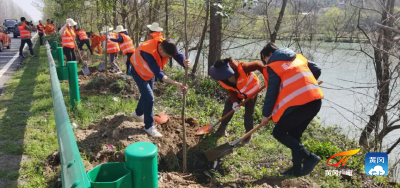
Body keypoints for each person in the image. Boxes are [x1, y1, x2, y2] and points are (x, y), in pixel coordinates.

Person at [260, 42, 323, 177]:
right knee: (295, 135)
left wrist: (266, 114)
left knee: (278, 132)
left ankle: (310, 158)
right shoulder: (298, 58)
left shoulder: (273, 66)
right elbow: (317, 69)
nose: (265, 63)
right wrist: (306, 83)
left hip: (301, 104)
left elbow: (271, 93)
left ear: (268, 55)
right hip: (315, 100)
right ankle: (296, 169)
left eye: (264, 59)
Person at [129, 38, 190, 137]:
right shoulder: (148, 52)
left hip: (148, 73)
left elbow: (178, 55)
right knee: (149, 98)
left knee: (146, 95)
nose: (169, 58)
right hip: (138, 71)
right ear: (160, 49)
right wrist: (177, 84)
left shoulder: (167, 45)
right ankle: (149, 126)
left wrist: (184, 62)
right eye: (167, 56)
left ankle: (138, 113)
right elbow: (160, 74)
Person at [208, 58, 263, 144]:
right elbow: (230, 89)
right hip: (238, 93)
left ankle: (247, 135)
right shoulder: (222, 78)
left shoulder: (242, 68)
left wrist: (269, 77)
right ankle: (222, 128)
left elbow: (257, 64)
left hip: (252, 90)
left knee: (249, 113)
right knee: (228, 105)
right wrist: (234, 102)